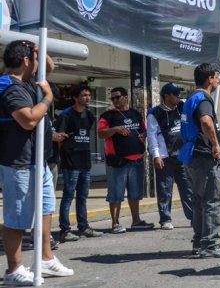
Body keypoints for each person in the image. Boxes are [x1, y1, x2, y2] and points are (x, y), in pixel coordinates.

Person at [0, 40, 74, 285]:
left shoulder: (27, 81)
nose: (39, 64)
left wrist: (37, 47)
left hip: (37, 161)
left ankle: (44, 258)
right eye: (34, 58)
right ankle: (14, 270)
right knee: (17, 218)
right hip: (18, 164)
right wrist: (49, 98)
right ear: (25, 62)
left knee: (45, 209)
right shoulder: (9, 87)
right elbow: (28, 120)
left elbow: (49, 67)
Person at [182, 63, 220, 258]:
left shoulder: (191, 98)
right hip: (204, 155)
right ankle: (210, 244)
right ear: (209, 79)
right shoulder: (203, 98)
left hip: (192, 155)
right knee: (213, 200)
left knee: (199, 200)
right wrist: (216, 145)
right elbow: (205, 121)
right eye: (216, 76)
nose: (218, 79)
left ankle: (199, 242)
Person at [98, 87, 154, 234]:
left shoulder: (135, 114)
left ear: (125, 97)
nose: (115, 100)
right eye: (112, 98)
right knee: (116, 194)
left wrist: (144, 135)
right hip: (118, 162)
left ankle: (136, 221)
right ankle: (115, 223)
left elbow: (144, 129)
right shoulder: (107, 116)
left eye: (117, 97)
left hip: (137, 161)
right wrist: (115, 129)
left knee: (135, 194)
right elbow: (101, 134)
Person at [57, 85, 102, 242]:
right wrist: (63, 157)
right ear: (75, 97)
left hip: (85, 162)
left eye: (89, 95)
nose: (88, 98)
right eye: (84, 95)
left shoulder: (90, 115)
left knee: (82, 196)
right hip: (71, 162)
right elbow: (60, 139)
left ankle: (83, 227)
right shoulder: (66, 115)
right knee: (68, 196)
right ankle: (65, 230)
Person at [147, 82, 193, 230]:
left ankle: (193, 217)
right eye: (175, 94)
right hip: (165, 156)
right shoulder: (155, 113)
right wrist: (156, 155)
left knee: (187, 188)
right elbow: (151, 135)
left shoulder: (182, 107)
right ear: (166, 96)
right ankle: (165, 219)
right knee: (164, 189)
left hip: (182, 155)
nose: (178, 96)